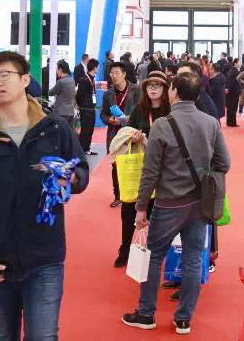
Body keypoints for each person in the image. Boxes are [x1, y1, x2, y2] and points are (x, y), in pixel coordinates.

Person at [0, 51, 89, 340]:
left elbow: (80, 170)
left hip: (44, 257)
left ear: (25, 80)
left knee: (43, 336)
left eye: (5, 75)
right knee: (1, 336)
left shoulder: (54, 128)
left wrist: (73, 177)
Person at [122, 72, 231, 335]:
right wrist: (206, 178)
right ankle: (184, 319)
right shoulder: (210, 123)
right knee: (194, 258)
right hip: (199, 203)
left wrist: (140, 206)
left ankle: (146, 313)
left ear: (174, 92)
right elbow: (224, 163)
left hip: (168, 203)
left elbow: (150, 171)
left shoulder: (162, 125)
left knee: (154, 256)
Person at [113, 71, 172, 268]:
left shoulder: (170, 110)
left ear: (165, 89)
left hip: (163, 168)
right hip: (139, 167)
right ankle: (125, 248)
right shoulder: (139, 110)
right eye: (150, 85)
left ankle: (155, 252)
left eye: (158, 85)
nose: (153, 88)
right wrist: (134, 138)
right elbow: (126, 133)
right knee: (129, 208)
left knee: (158, 211)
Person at [101, 61, 141, 208]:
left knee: (134, 163)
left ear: (124, 74)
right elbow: (103, 114)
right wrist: (109, 120)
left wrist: (131, 118)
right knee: (116, 165)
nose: (114, 76)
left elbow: (142, 110)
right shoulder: (108, 94)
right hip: (115, 133)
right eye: (112, 73)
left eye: (117, 73)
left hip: (132, 132)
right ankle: (118, 195)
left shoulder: (136, 90)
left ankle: (136, 194)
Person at [76, 58, 99, 156]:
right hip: (85, 109)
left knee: (90, 130)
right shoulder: (85, 80)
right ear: (94, 68)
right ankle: (82, 149)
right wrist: (82, 106)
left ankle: (86, 148)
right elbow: (79, 95)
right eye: (97, 67)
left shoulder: (91, 79)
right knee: (85, 130)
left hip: (91, 108)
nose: (98, 69)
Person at [48, 59, 77, 133]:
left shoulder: (61, 82)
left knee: (59, 134)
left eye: (57, 69)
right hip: (70, 112)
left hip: (61, 113)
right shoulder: (72, 80)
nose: (56, 71)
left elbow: (51, 92)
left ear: (60, 69)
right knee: (69, 134)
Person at [225, 58, 241, 127]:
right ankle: (232, 123)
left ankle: (229, 122)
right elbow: (236, 81)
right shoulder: (235, 71)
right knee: (233, 107)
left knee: (230, 107)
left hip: (230, 91)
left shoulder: (231, 70)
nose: (240, 63)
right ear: (235, 63)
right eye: (239, 62)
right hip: (234, 91)